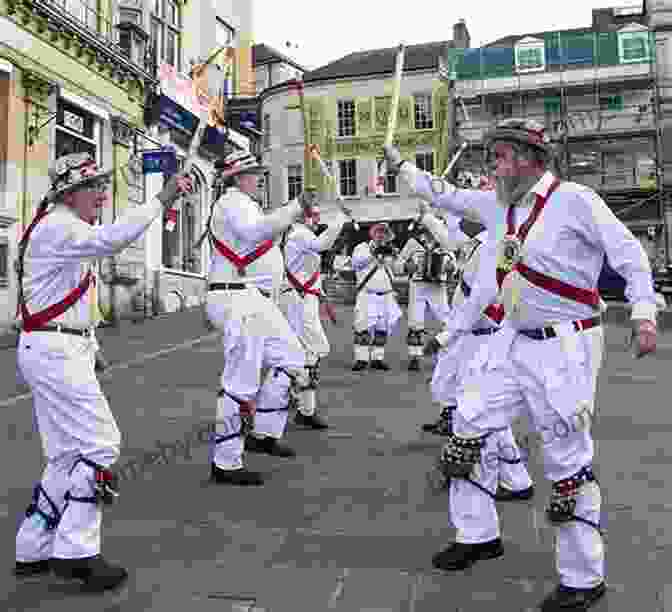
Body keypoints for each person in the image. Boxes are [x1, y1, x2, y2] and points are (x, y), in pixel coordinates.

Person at [387, 118, 658, 611]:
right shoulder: (498, 206)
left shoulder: (576, 200)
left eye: (502, 156)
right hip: (510, 341)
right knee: (467, 422)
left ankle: (583, 577)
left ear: (532, 159)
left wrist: (643, 313)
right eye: (492, 157)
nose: (494, 166)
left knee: (566, 457)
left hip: (566, 346)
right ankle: (477, 535)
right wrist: (401, 165)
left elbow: (629, 254)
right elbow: (443, 194)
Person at [13, 152, 193, 591]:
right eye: (94, 187)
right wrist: (162, 198)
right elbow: (114, 239)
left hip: (55, 346)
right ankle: (76, 551)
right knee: (101, 444)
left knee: (65, 453)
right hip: (55, 350)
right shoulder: (60, 226)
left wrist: (89, 344)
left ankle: (33, 544)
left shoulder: (61, 227)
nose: (102, 194)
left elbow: (70, 298)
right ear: (69, 194)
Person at [203, 150, 314, 487]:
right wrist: (295, 207)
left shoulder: (245, 203)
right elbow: (254, 233)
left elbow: (258, 232)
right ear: (238, 177)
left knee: (294, 359)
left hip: (253, 298)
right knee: (240, 381)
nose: (260, 178)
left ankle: (263, 433)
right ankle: (225, 462)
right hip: (237, 296)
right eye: (254, 173)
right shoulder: (233, 201)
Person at [418, 203, 534, 502]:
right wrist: (428, 215)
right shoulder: (480, 244)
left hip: (482, 338)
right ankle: (504, 475)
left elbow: (479, 301)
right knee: (471, 405)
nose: (461, 220)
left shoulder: (489, 249)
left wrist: (443, 337)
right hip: (470, 338)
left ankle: (506, 477)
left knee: (482, 409)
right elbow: (450, 236)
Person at [278, 202, 349, 429]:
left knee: (307, 353)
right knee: (310, 350)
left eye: (317, 215)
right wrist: (340, 218)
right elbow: (324, 243)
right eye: (314, 216)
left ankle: (304, 408)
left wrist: (322, 296)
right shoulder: (299, 235)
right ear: (302, 217)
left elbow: (309, 272)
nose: (317, 220)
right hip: (297, 300)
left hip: (305, 299)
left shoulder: (302, 236)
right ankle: (287, 395)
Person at [396, 222, 454, 371]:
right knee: (415, 322)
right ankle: (414, 357)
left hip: (438, 287)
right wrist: (407, 267)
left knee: (447, 321)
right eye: (428, 227)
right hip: (417, 286)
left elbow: (455, 263)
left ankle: (447, 355)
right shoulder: (413, 243)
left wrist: (450, 268)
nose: (431, 230)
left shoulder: (446, 241)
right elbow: (397, 264)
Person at [350, 222, 403, 371]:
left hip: (386, 295)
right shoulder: (362, 248)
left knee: (382, 328)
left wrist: (398, 257)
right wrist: (373, 254)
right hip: (367, 294)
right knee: (362, 327)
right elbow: (356, 264)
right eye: (378, 231)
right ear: (372, 233)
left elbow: (398, 269)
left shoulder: (390, 250)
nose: (381, 235)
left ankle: (377, 359)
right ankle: (361, 359)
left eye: (384, 232)